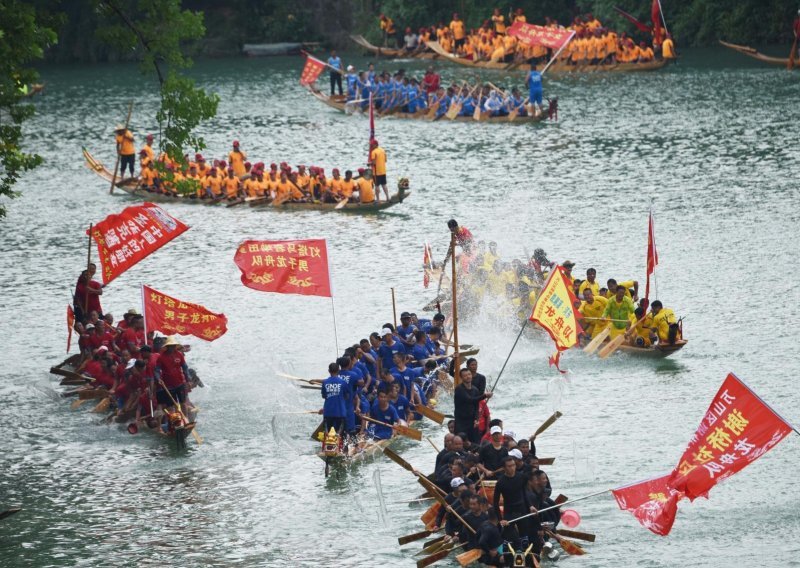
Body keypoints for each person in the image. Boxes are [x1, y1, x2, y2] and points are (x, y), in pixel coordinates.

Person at [453, 367, 491, 443]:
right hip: (461, 422)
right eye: (465, 375)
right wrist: (485, 396)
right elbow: (470, 400)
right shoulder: (459, 389)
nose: (468, 377)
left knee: (476, 442)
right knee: (462, 442)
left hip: (472, 421)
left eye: (469, 374)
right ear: (461, 378)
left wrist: (476, 419)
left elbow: (476, 406)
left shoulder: (475, 389)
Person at [154, 335, 190, 408]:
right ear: (167, 346)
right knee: (171, 405)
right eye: (170, 346)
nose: (172, 348)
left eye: (173, 346)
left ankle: (185, 416)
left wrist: (188, 380)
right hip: (168, 385)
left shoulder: (179, 354)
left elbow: (185, 368)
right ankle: (175, 418)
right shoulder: (161, 357)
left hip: (180, 383)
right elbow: (156, 370)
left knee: (183, 403)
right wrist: (158, 379)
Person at [320, 362, 350, 436]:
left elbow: (324, 396)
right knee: (341, 436)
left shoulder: (325, 382)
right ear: (338, 370)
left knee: (327, 436)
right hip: (340, 413)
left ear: (329, 371)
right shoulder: (343, 382)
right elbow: (346, 396)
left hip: (328, 412)